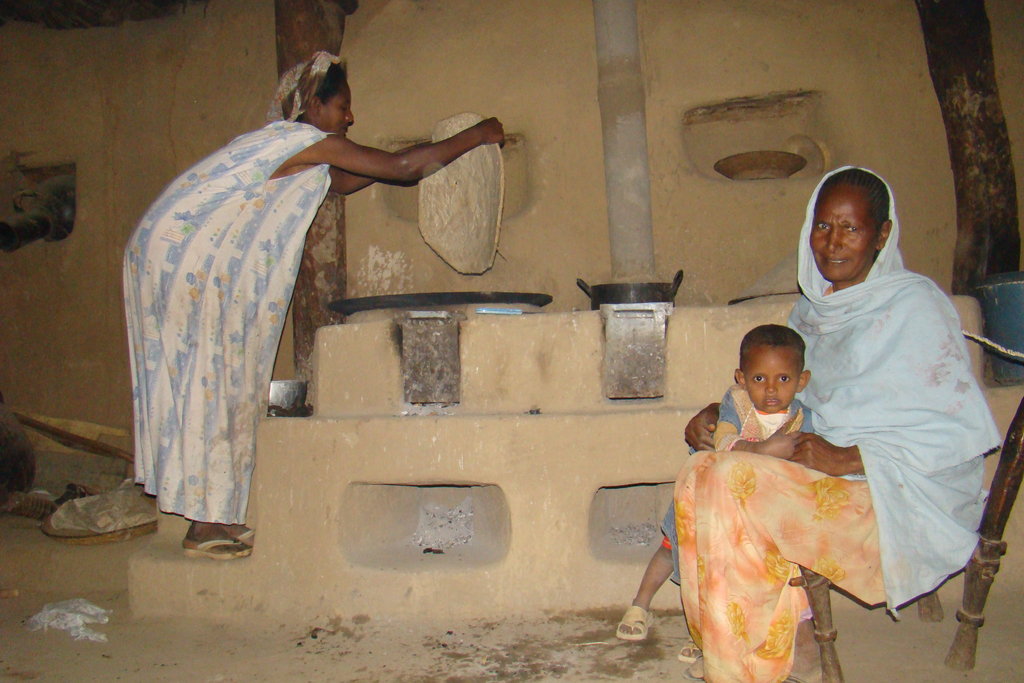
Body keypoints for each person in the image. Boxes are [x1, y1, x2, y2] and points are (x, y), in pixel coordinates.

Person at [123, 52, 504, 560]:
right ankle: (205, 525)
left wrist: (418, 156)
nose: (350, 118)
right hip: (186, 258)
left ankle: (209, 521)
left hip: (180, 260)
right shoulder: (295, 141)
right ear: (314, 105)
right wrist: (478, 134)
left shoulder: (306, 154)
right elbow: (403, 168)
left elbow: (361, 176)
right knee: (216, 375)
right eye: (343, 106)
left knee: (220, 376)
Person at [676, 166, 1000, 682]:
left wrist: (852, 457)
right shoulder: (809, 315)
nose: (832, 243)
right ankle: (750, 641)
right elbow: (788, 403)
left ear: (883, 235)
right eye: (823, 226)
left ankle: (756, 658)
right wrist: (726, 412)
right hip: (817, 474)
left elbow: (955, 432)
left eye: (851, 228)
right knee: (701, 470)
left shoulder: (914, 307)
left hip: (893, 493)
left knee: (727, 479)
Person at [615, 324, 813, 665]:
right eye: (758, 379)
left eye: (783, 380)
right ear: (741, 378)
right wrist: (764, 449)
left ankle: (709, 637)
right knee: (672, 550)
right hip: (708, 500)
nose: (770, 390)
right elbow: (723, 443)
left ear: (802, 381)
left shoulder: (802, 419)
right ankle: (639, 604)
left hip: (753, 512)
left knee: (725, 575)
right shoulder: (735, 404)